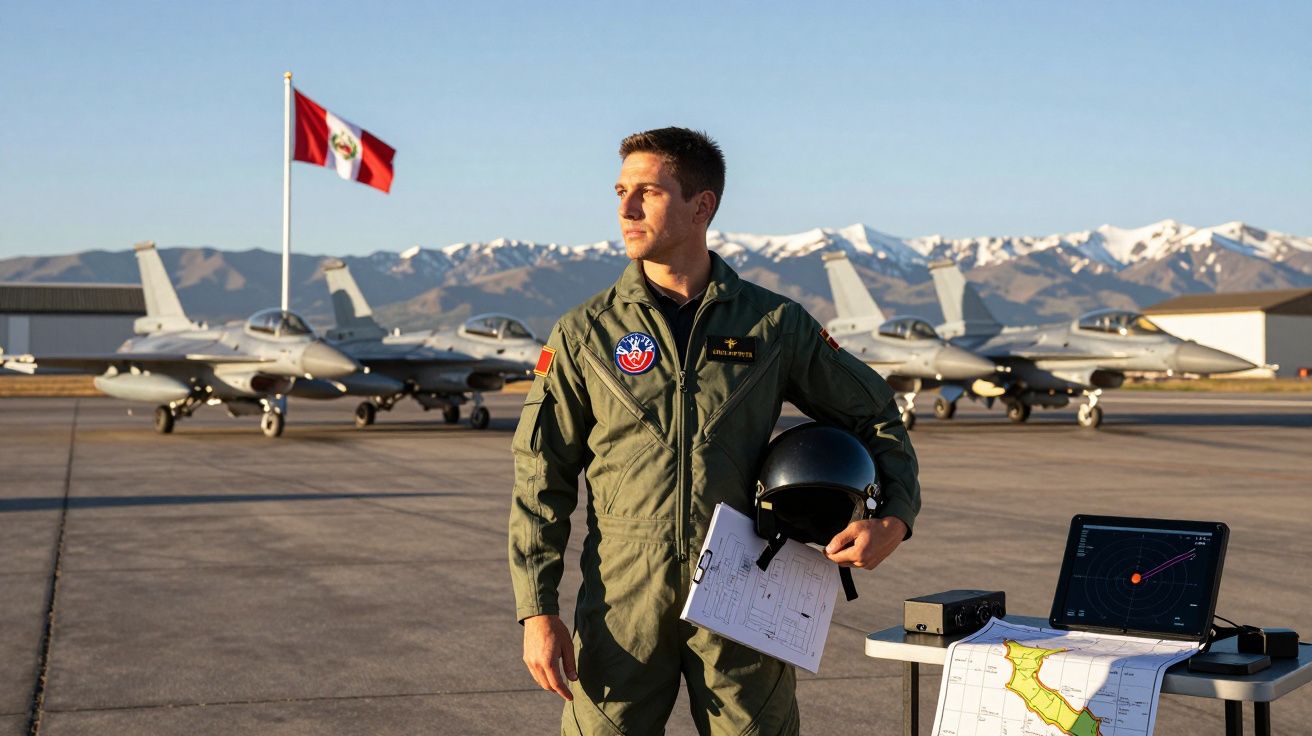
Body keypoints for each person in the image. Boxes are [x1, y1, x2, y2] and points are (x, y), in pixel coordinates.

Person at [508, 127, 920, 735]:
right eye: (621, 190)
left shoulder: (773, 325)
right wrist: (536, 611)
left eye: (646, 192)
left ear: (703, 205)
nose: (625, 208)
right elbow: (540, 476)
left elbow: (875, 412)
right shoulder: (585, 334)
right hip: (623, 602)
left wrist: (894, 516)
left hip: (745, 589)